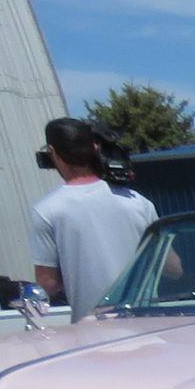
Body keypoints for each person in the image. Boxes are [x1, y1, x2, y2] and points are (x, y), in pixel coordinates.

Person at [28, 118, 155, 313]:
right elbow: (172, 266)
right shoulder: (139, 202)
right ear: (95, 148)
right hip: (147, 323)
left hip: (94, 329)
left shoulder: (47, 211)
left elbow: (48, 284)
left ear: (53, 153)